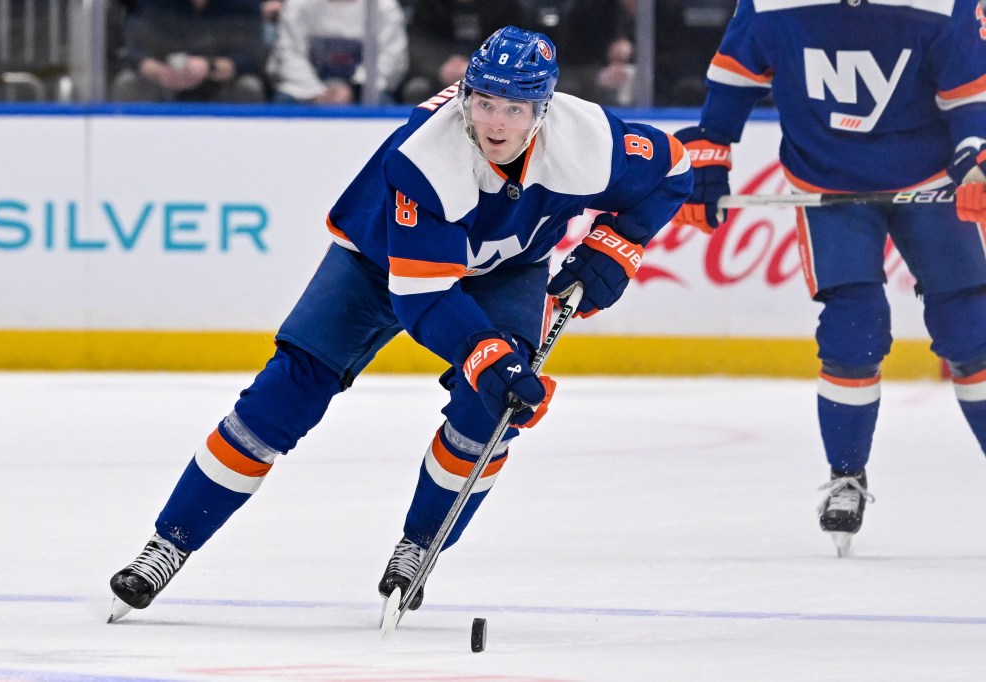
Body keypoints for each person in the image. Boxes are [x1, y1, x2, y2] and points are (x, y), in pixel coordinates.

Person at [107, 25, 692, 622]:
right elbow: (426, 298)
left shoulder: (588, 140)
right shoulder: (423, 158)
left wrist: (618, 245)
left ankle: (419, 546)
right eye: (484, 101)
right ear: (465, 93)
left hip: (506, 268)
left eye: (514, 109)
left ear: (543, 108)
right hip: (379, 262)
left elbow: (675, 171)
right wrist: (487, 355)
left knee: (492, 408)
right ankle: (169, 544)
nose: (495, 123)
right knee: (285, 392)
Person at [670, 0, 986, 556]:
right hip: (826, 181)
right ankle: (847, 477)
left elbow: (970, 92)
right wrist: (710, 154)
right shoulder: (770, 4)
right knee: (853, 330)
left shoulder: (944, 4)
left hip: (931, 178)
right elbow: (735, 73)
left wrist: (975, 158)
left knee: (971, 331)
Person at [110, 0, 267, 103]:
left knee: (249, 87)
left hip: (220, 84)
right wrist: (159, 71)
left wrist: (209, 66)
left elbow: (252, 55)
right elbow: (136, 51)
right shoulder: (155, 4)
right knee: (127, 84)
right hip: (166, 80)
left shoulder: (242, 4)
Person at [266, 0, 408, 105]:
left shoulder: (383, 7)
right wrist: (317, 92)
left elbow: (389, 57)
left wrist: (353, 90)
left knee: (384, 106)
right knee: (282, 104)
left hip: (362, 92)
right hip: (304, 91)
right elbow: (290, 55)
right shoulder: (297, 5)